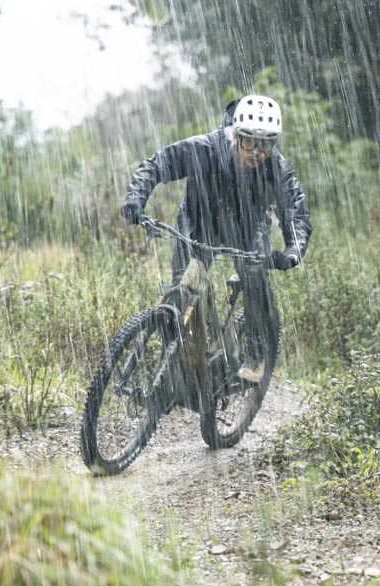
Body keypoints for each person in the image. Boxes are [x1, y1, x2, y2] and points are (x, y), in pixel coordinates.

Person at [120, 94, 312, 383]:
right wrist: (135, 200)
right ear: (236, 136)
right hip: (198, 221)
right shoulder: (204, 148)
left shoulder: (277, 168)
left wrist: (293, 251)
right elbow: (156, 165)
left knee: (254, 274)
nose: (257, 152)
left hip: (248, 227)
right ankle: (176, 366)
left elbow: (295, 210)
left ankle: (255, 354)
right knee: (180, 292)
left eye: (267, 143)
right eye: (250, 141)